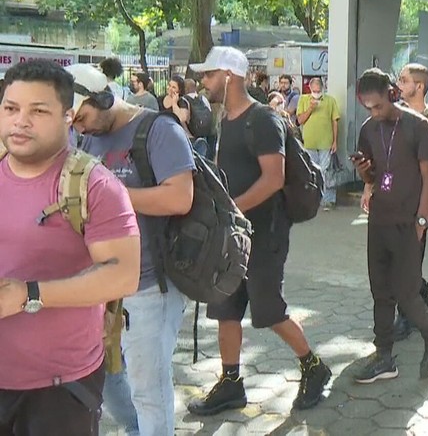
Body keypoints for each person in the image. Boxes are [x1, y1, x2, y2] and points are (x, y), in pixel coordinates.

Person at [187, 47, 331, 414]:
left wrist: (230, 211)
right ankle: (231, 383)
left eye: (209, 75)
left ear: (229, 76)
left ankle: (313, 367)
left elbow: (273, 179)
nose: (203, 82)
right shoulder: (227, 120)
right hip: (232, 232)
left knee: (269, 310)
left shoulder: (263, 119)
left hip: (264, 233)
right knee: (224, 307)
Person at [0, 59, 140, 435]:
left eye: (39, 111)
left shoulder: (94, 185)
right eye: (11, 108)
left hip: (60, 388)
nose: (21, 121)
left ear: (68, 116)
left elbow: (123, 275)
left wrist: (29, 294)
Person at [69, 63, 195, 436]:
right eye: (73, 123)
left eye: (83, 117)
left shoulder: (160, 130)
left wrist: (111, 195)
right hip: (104, 286)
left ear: (104, 98)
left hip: (150, 286)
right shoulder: (88, 138)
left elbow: (180, 197)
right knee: (106, 380)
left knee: (149, 392)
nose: (80, 128)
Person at [351, 68, 428, 383]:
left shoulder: (419, 127)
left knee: (407, 292)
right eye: (367, 107)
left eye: (378, 105)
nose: (374, 112)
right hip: (379, 220)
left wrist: (423, 220)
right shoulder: (368, 129)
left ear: (393, 94)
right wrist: (365, 173)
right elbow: (373, 178)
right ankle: (384, 357)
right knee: (380, 291)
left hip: (409, 223)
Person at [391, 64, 428, 340]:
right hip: (393, 202)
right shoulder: (394, 116)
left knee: (408, 261)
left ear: (420, 86)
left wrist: (426, 211)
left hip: (419, 204)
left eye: (404, 80)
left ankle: (407, 318)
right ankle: (426, 295)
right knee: (397, 260)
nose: (399, 84)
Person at [296, 76, 341, 211]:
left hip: (326, 142)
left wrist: (335, 141)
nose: (316, 93)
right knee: (312, 171)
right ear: (310, 89)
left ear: (322, 89)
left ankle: (328, 200)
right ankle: (313, 199)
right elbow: (300, 120)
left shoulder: (330, 101)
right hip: (309, 142)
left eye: (318, 90)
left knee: (326, 171)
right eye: (314, 91)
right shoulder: (303, 99)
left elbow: (335, 121)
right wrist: (310, 108)